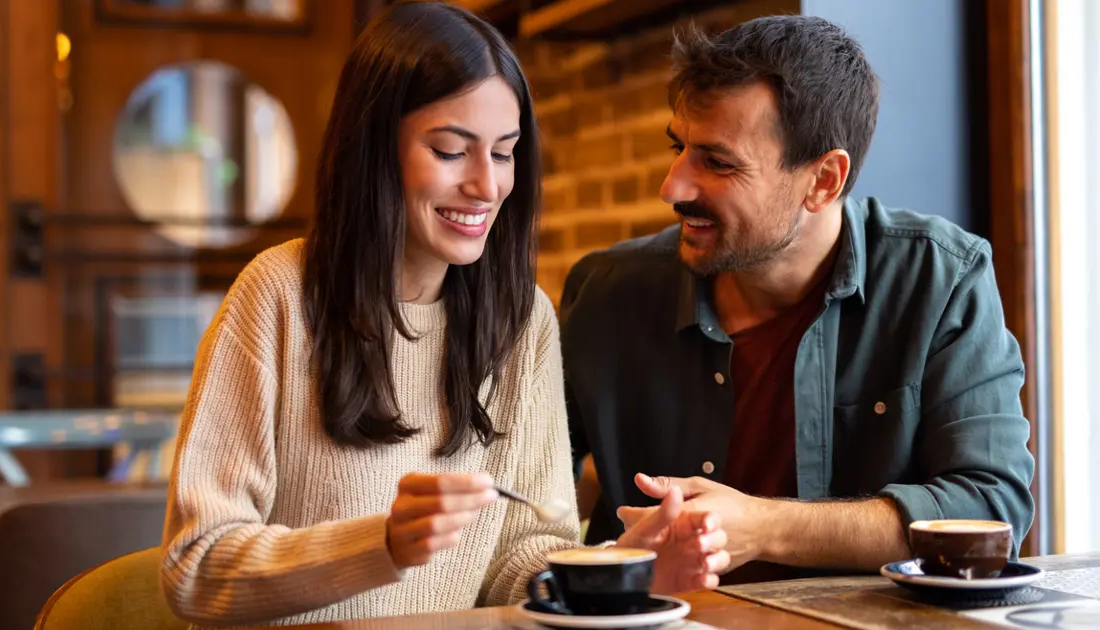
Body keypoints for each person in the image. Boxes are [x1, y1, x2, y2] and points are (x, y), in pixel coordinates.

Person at [159, 2, 730, 627]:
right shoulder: (278, 297)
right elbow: (197, 568)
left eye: (505, 153)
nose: (487, 185)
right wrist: (381, 545)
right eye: (452, 151)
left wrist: (621, 571)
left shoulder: (522, 321)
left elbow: (520, 557)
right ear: (374, 149)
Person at [561, 15, 1035, 585]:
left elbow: (990, 505)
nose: (673, 187)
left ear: (824, 180)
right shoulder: (605, 293)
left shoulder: (939, 279)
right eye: (678, 147)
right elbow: (527, 502)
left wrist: (762, 525)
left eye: (717, 162)